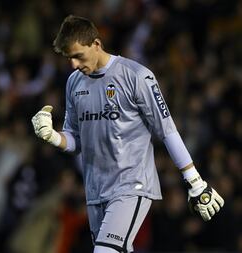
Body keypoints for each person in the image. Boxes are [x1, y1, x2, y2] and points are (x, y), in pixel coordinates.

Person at [31, 15, 224, 253]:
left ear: (96, 44)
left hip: (131, 185)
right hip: (95, 189)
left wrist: (195, 181)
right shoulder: (74, 83)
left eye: (78, 56)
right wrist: (51, 136)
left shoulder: (136, 76)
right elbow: (75, 140)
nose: (73, 64)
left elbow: (167, 130)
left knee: (105, 251)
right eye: (69, 58)